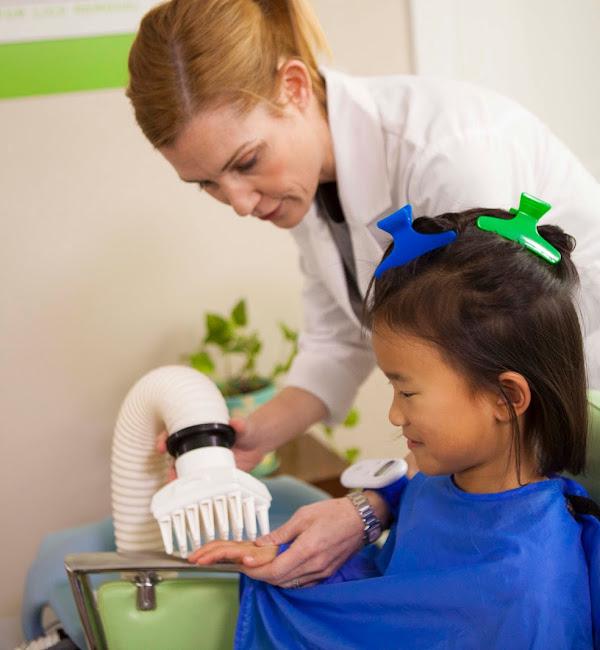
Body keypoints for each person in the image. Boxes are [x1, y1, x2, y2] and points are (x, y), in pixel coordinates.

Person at [127, 0, 600, 585]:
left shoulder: (446, 154)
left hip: (569, 410)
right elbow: (336, 339)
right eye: (207, 185)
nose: (240, 202)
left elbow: (482, 386)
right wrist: (253, 436)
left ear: (294, 86)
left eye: (246, 162)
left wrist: (369, 508)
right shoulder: (304, 185)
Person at [186, 203, 600, 648]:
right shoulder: (435, 485)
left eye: (407, 392)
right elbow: (390, 603)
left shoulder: (531, 596)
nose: (394, 415)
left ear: (506, 398)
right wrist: (288, 564)